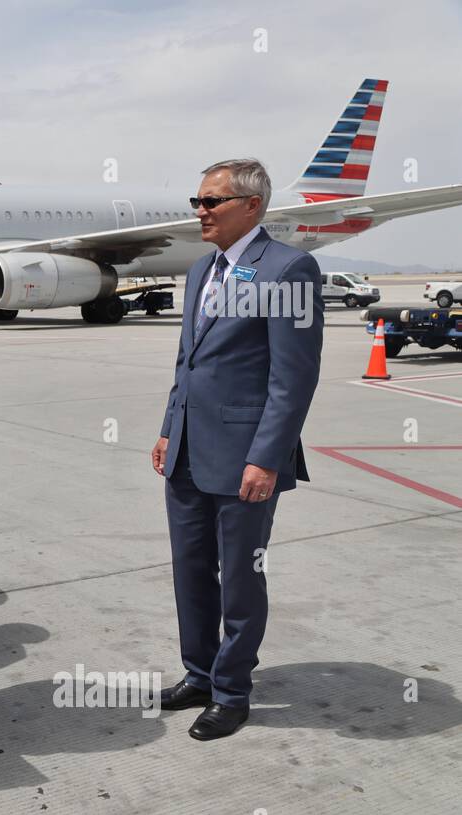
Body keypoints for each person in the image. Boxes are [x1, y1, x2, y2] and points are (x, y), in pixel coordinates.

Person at [151, 158, 323, 741]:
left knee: (241, 579)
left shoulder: (288, 269)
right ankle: (199, 673)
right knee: (189, 571)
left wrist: (266, 457)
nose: (199, 211)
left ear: (251, 206)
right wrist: (169, 427)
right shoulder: (202, 270)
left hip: (245, 456)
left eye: (211, 202)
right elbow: (189, 362)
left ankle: (231, 691)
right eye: (197, 201)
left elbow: (291, 378)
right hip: (188, 451)